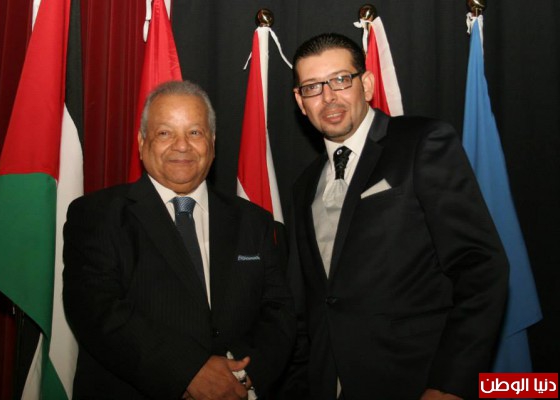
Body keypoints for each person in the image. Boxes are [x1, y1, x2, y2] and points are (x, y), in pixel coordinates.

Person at [285, 32, 509, 400]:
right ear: (300, 101)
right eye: (312, 87)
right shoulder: (303, 186)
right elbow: (306, 304)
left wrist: (448, 384)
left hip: (416, 381)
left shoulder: (422, 143)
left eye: (340, 80)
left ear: (367, 84)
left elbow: (481, 267)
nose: (328, 97)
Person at [63, 80, 296, 400]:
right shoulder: (97, 214)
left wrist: (240, 376)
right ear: (141, 143)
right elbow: (96, 311)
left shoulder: (254, 221)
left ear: (212, 143)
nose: (182, 146)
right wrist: (188, 372)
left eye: (195, 132)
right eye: (165, 133)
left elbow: (278, 311)